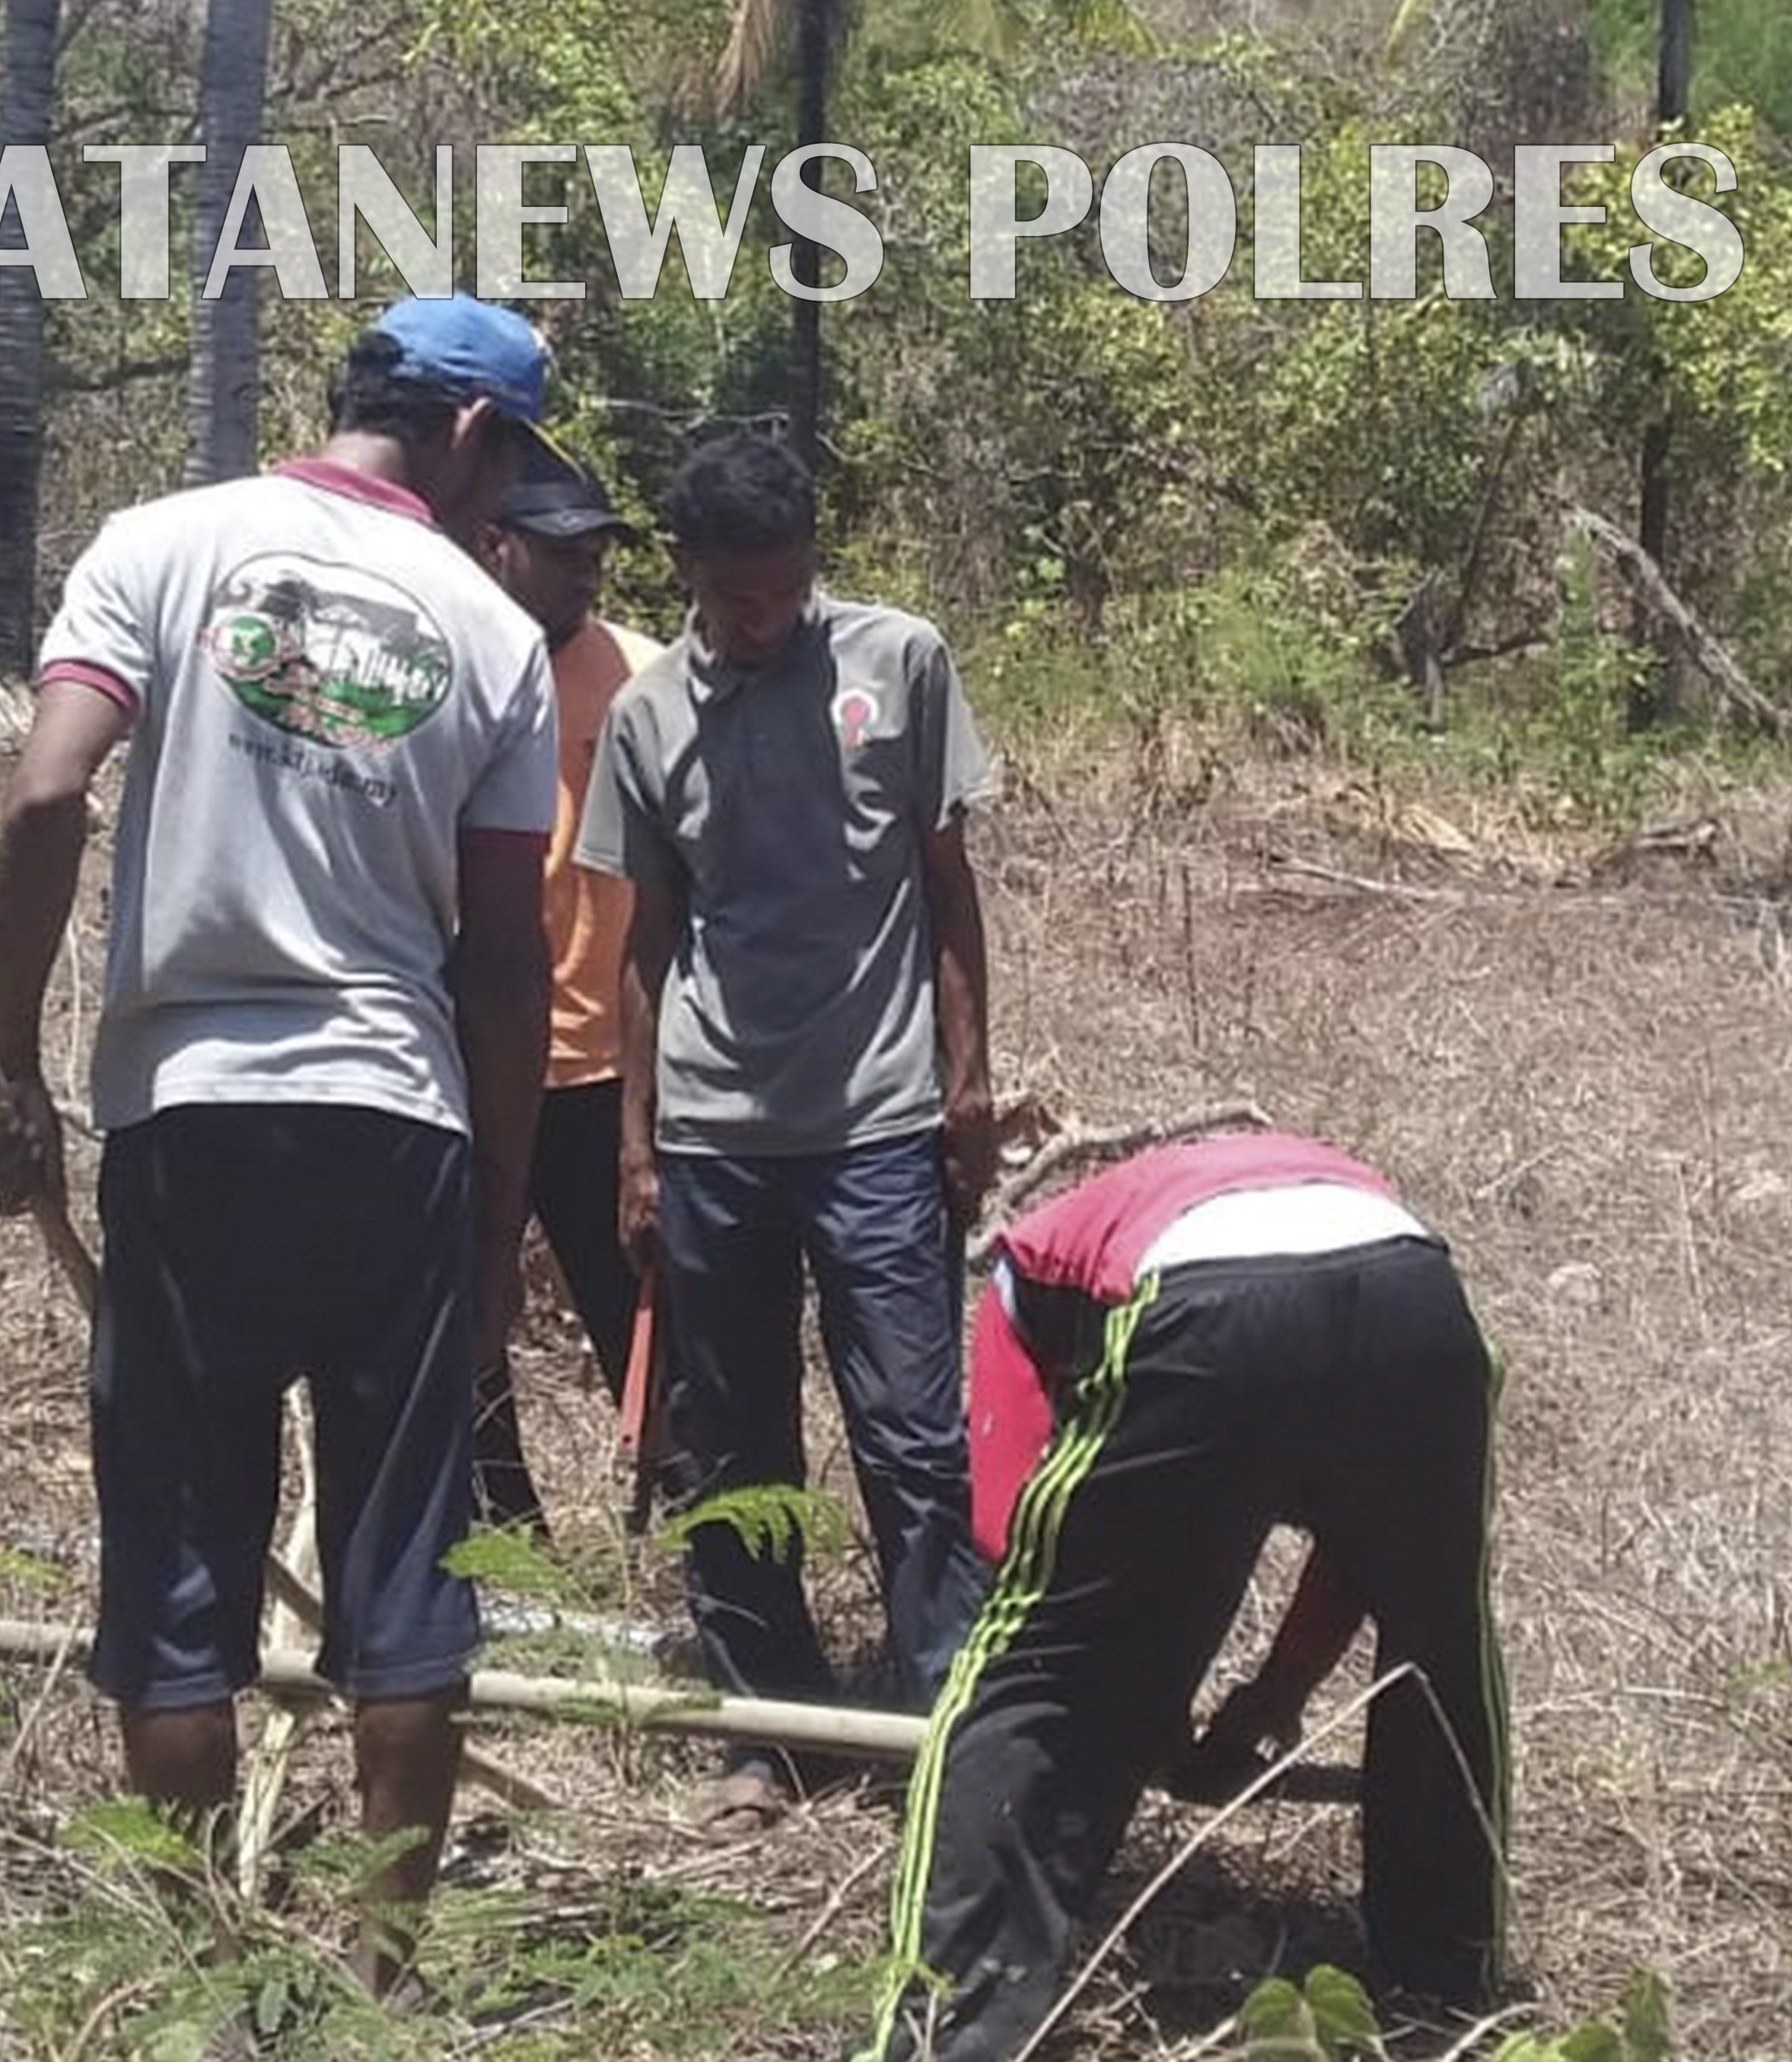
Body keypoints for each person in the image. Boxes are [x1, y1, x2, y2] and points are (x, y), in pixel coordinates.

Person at [0, 294, 562, 1991]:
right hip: (396, 1124)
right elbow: (504, 953)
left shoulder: (161, 546)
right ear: (464, 433)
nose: (506, 492)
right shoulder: (494, 629)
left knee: (171, 1559)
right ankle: (377, 1980)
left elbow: (42, 793)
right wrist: (500, 1200)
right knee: (403, 1570)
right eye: (510, 454)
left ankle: (203, 1979)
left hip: (190, 1123)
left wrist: (15, 1068)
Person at [864, 1123, 1511, 2062]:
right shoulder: (1310, 1182)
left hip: (1207, 1301)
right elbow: (1369, 1546)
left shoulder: (1023, 1272)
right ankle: (1451, 1991)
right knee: (1439, 1640)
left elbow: (1017, 1547)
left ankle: (945, 2032)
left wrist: (1141, 1699)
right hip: (1416, 1298)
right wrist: (1267, 1689)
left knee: (1024, 1674)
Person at [583, 432, 1000, 1835]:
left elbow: (948, 888)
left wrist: (969, 1081)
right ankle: (763, 1725)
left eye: (786, 587)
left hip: (879, 1125)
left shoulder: (900, 663)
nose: (764, 616)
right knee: (734, 1442)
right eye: (736, 597)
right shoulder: (646, 718)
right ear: (688, 577)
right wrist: (637, 1148)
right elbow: (644, 942)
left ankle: (948, 1705)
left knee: (911, 1433)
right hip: (715, 1136)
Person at [463, 446, 671, 1535]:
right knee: (462, 1324)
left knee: (643, 1316)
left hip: (604, 1066)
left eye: (596, 552)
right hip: (461, 1060)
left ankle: (693, 1540)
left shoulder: (645, 675)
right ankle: (505, 1546)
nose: (585, 572)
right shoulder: (444, 665)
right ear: (497, 545)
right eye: (562, 553)